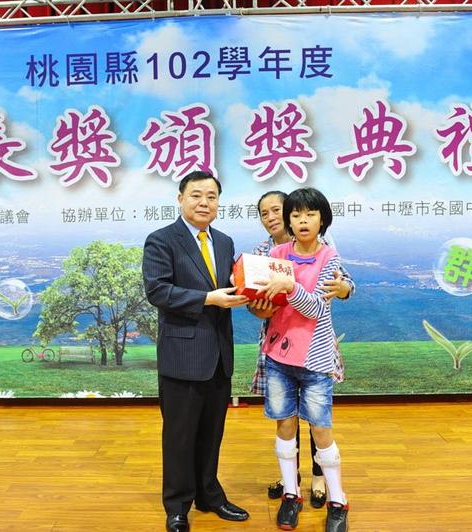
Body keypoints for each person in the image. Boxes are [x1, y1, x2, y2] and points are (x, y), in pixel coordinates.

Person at [142, 170, 251, 532]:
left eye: (211, 197)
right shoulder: (161, 240)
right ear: (180, 199)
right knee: (179, 436)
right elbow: (158, 291)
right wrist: (208, 299)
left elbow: (232, 286)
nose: (204, 202)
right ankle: (177, 506)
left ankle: (209, 495)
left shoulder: (224, 241)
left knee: (211, 433)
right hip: (182, 356)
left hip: (219, 355)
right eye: (196, 195)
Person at [248, 191, 354, 510]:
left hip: (315, 358)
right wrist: (256, 301)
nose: (301, 221)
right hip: (277, 355)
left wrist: (291, 287)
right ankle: (290, 492)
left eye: (309, 215)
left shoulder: (329, 256)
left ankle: (335, 496)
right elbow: (259, 300)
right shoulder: (272, 254)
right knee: (284, 423)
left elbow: (319, 307)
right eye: (296, 216)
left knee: (319, 426)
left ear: (322, 219)